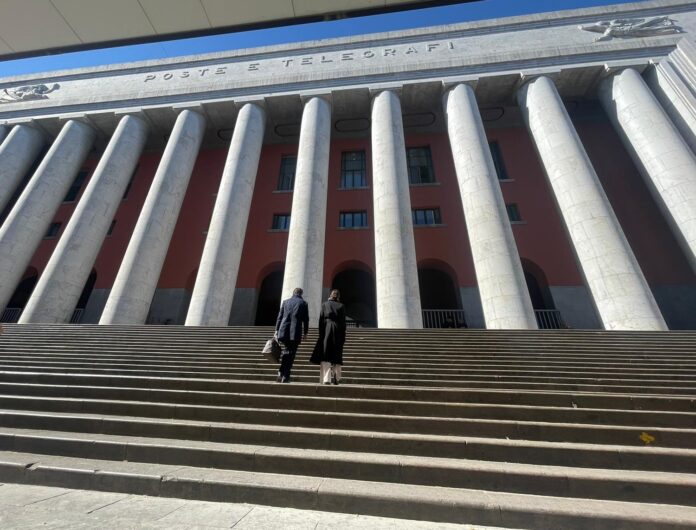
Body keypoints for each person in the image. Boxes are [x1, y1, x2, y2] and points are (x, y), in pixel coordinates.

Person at [310, 289, 346, 385]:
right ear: (338, 296)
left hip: (326, 329)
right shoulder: (341, 306)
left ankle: (326, 379)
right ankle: (337, 377)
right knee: (337, 354)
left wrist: (321, 334)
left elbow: (321, 320)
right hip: (338, 330)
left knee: (326, 354)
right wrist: (343, 336)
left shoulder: (325, 304)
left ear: (330, 295)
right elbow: (343, 323)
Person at [275, 287, 309, 383]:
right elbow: (306, 320)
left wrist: (276, 330)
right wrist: (305, 333)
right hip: (295, 332)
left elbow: (279, 317)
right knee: (291, 354)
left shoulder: (285, 302)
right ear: (301, 294)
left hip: (283, 330)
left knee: (286, 352)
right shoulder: (303, 303)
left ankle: (281, 373)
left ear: (293, 293)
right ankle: (285, 376)